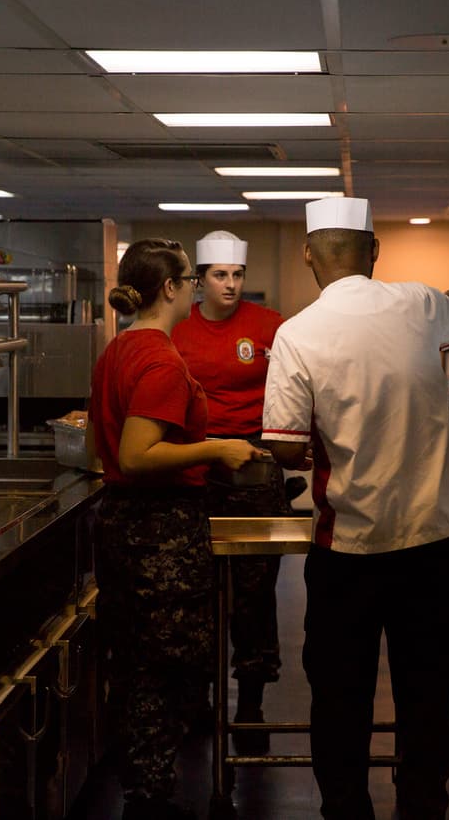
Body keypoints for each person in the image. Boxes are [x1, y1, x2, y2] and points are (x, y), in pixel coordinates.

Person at [261, 198, 449, 820]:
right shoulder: (428, 302)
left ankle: (347, 810)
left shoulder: (297, 332)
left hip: (347, 547)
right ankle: (423, 808)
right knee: (428, 693)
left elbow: (283, 445)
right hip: (433, 541)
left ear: (307, 253)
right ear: (375, 250)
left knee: (340, 694)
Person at [88, 237, 262, 820]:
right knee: (170, 665)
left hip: (119, 521)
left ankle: (142, 783)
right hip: (159, 529)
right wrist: (217, 448)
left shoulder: (117, 350)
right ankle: (151, 794)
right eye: (191, 281)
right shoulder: (161, 360)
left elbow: (99, 448)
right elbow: (138, 455)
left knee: (135, 659)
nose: (196, 290)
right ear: (171, 288)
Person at [170, 229, 291, 754]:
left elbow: (294, 386)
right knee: (194, 589)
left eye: (238, 275)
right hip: (194, 467)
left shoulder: (270, 326)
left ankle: (252, 698)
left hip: (255, 468)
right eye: (220, 275)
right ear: (199, 281)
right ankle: (197, 696)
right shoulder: (178, 330)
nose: (231, 284)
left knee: (254, 592)